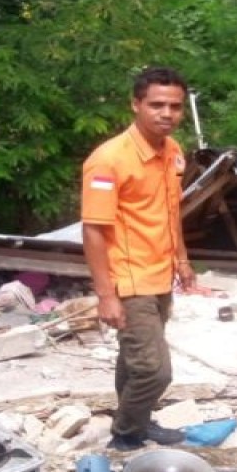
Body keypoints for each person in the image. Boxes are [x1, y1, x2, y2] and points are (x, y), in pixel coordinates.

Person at [81, 66, 199, 451]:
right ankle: (127, 432)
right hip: (128, 281)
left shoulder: (173, 152)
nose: (167, 114)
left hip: (160, 274)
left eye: (175, 106)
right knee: (153, 370)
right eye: (157, 105)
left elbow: (169, 211)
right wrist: (105, 295)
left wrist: (181, 259)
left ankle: (137, 420)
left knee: (134, 360)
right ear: (136, 104)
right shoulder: (109, 160)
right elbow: (93, 229)